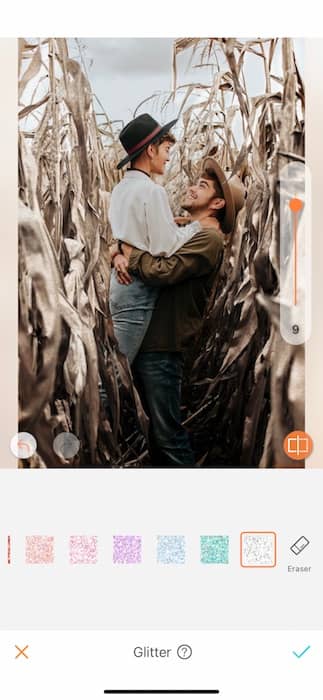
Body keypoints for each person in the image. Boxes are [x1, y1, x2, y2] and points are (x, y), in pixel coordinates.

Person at [113, 157, 245, 466]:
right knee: (158, 435)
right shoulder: (182, 230)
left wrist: (128, 254)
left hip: (163, 345)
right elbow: (132, 240)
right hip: (149, 341)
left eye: (202, 186)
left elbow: (164, 271)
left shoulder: (209, 240)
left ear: (217, 204)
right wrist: (118, 251)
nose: (191, 187)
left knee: (168, 435)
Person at [108, 113, 214, 365]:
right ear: (151, 150)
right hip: (137, 288)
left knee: (116, 362)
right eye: (166, 150)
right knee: (117, 371)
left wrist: (117, 251)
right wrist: (198, 226)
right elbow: (166, 247)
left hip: (119, 283)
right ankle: (92, 406)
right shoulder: (152, 191)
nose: (168, 157)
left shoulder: (119, 189)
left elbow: (125, 235)